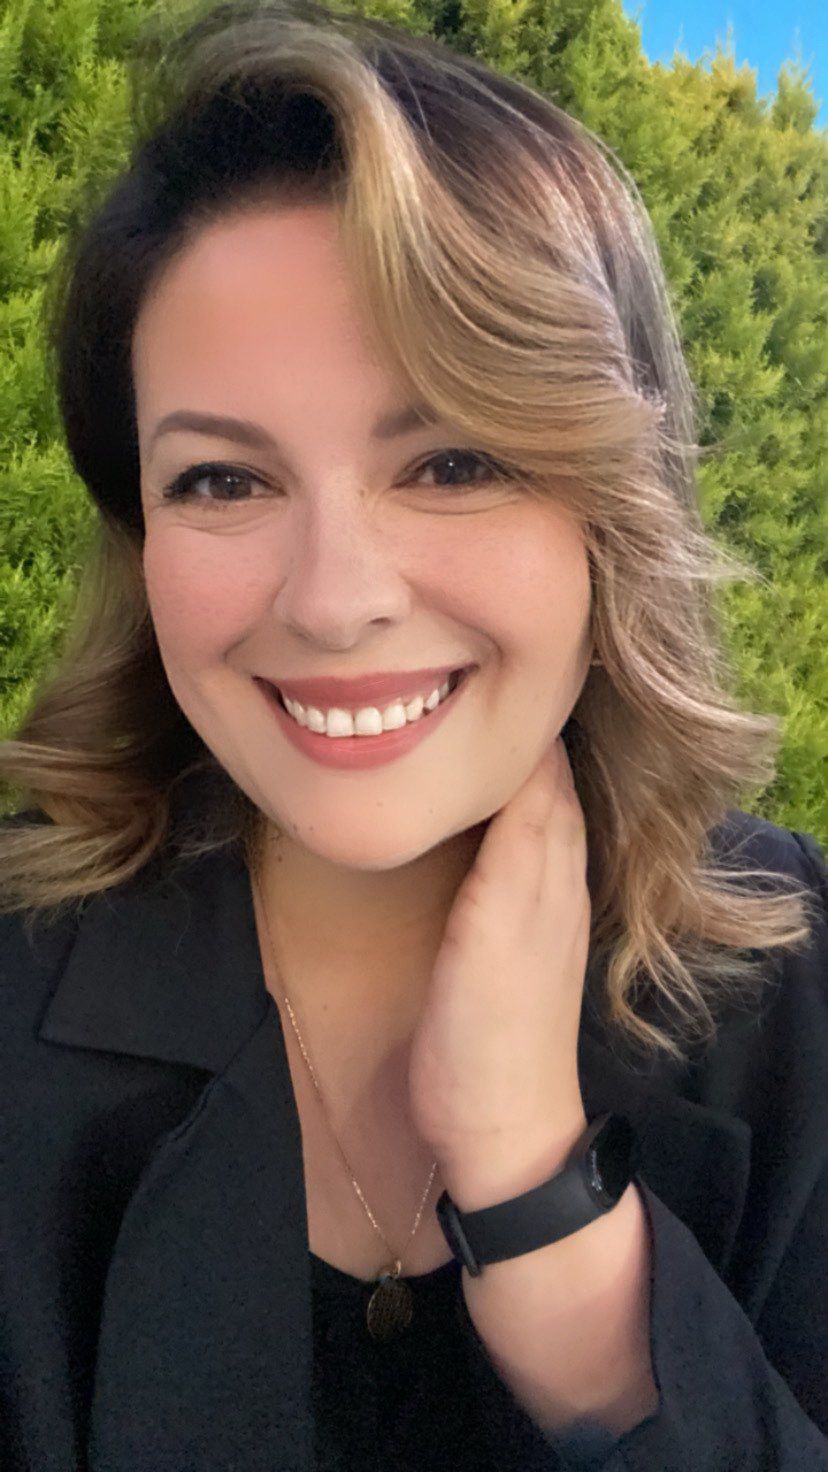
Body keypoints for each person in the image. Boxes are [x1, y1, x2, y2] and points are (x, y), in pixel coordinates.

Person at [0, 1, 825, 1468]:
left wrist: (537, 1199)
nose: (333, 602)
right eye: (221, 482)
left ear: (611, 505)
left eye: (451, 461)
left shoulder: (802, 993)